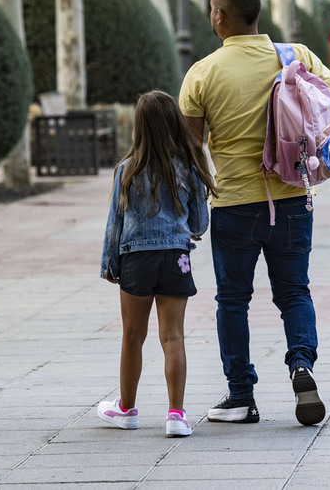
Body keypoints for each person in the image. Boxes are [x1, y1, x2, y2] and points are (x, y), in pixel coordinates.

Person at [179, 0, 330, 426]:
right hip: (293, 197)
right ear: (258, 14)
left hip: (233, 203)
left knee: (232, 300)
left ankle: (241, 396)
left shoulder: (203, 72)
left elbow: (190, 148)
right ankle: (301, 366)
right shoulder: (296, 55)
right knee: (294, 292)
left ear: (220, 16)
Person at [98, 90, 218, 438]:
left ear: (140, 127)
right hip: (175, 258)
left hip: (135, 259)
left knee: (133, 336)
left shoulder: (127, 168)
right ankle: (176, 415)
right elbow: (198, 224)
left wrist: (110, 264)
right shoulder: (189, 166)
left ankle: (126, 409)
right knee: (173, 337)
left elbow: (114, 225)